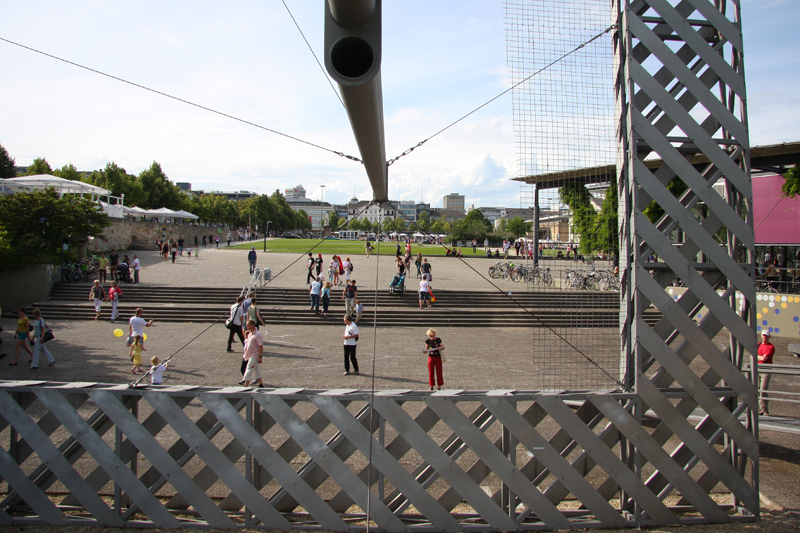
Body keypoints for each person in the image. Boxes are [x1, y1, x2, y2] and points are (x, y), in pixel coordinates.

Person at [240, 319, 265, 387]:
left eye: (248, 325)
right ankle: (261, 383)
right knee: (256, 369)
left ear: (252, 325)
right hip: (250, 354)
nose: (247, 326)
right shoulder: (250, 333)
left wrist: (260, 357)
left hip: (255, 355)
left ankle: (246, 385)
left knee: (249, 369)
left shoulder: (257, 334)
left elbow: (260, 346)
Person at [758, 331, 775, 416]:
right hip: (757, 368)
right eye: (763, 335)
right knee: (757, 389)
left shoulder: (770, 347)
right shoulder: (758, 345)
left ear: (769, 337)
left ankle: (765, 410)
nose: (764, 337)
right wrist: (760, 357)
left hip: (765, 369)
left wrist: (757, 356)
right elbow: (751, 355)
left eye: (766, 336)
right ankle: (761, 409)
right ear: (761, 336)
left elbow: (764, 359)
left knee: (763, 389)